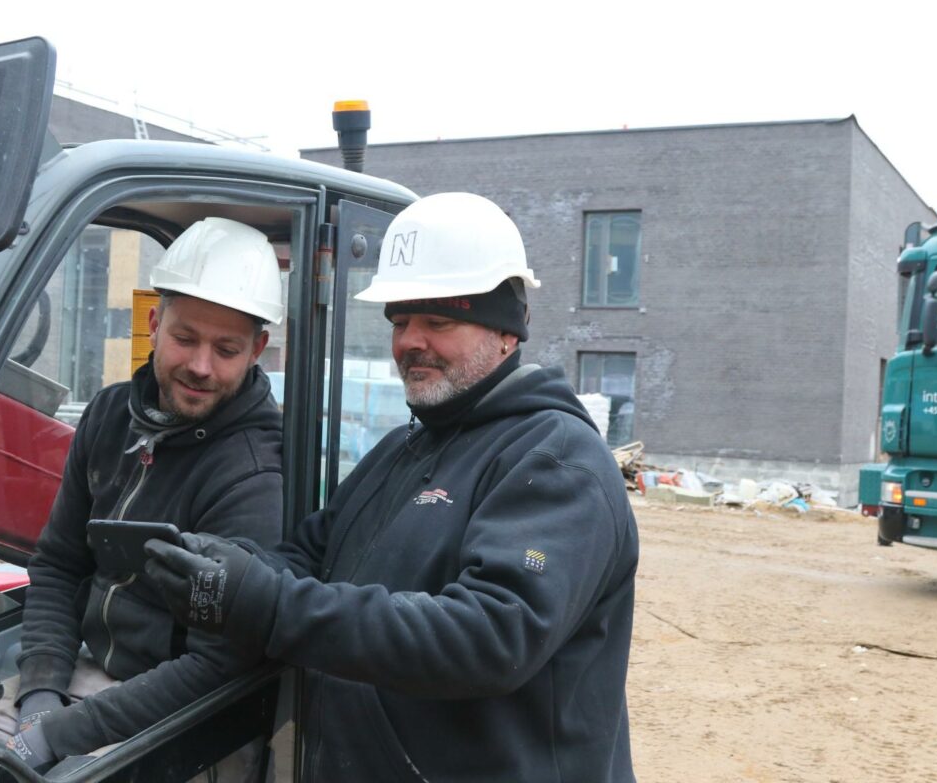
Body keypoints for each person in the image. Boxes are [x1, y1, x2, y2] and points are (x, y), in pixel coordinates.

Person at [145, 193, 639, 782]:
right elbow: (308, 557)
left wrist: (265, 603)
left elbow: (489, 636)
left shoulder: (556, 462)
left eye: (439, 321)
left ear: (506, 333)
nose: (409, 341)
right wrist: (225, 563)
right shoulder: (409, 447)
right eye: (401, 321)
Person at [0, 217, 286, 777]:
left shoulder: (251, 474)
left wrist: (60, 735)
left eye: (227, 349)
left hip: (182, 714)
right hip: (78, 672)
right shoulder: (111, 416)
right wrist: (41, 689)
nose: (200, 365)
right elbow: (60, 562)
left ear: (257, 349)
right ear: (154, 323)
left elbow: (216, 666)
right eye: (185, 338)